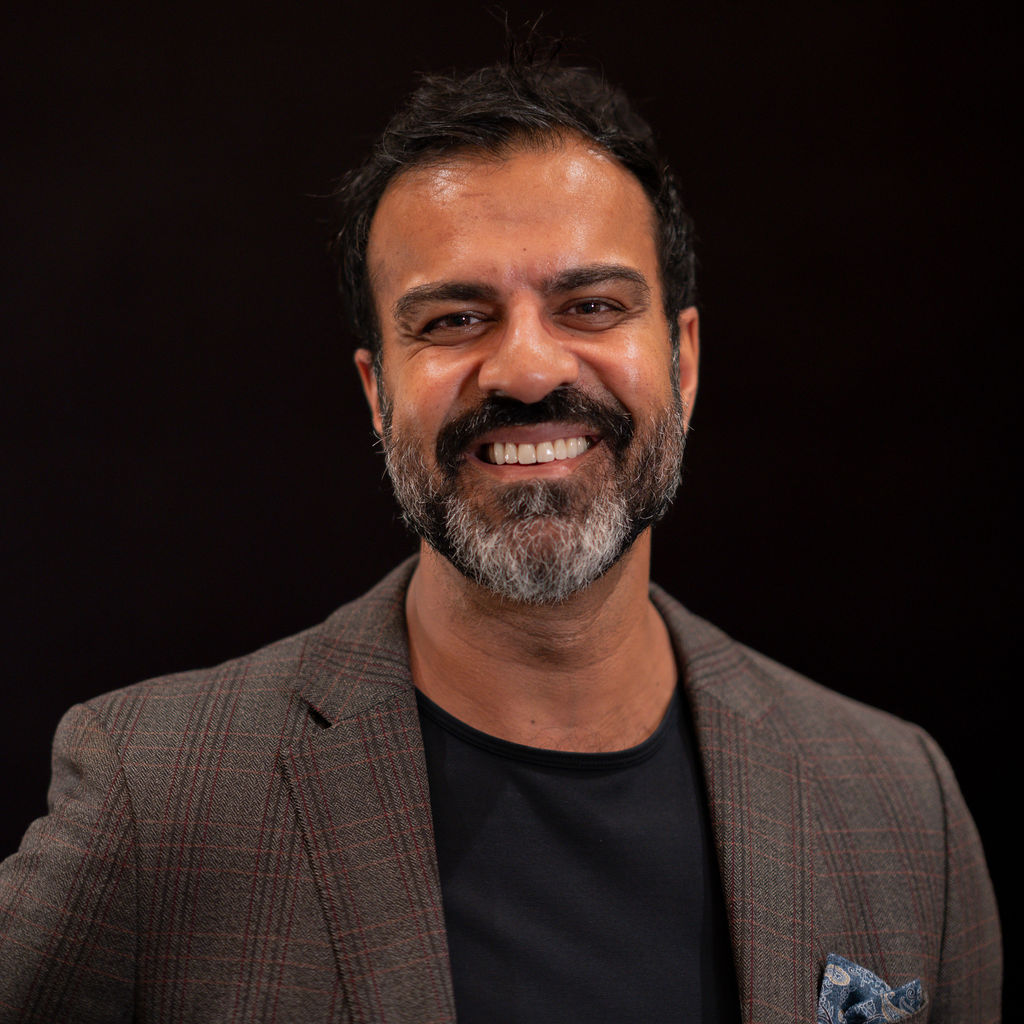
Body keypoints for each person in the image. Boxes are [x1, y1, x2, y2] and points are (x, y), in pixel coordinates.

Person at [0, 50, 1000, 1024]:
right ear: (376, 393)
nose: (525, 369)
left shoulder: (899, 803)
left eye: (591, 306)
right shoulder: (156, 796)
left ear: (684, 362)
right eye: (453, 319)